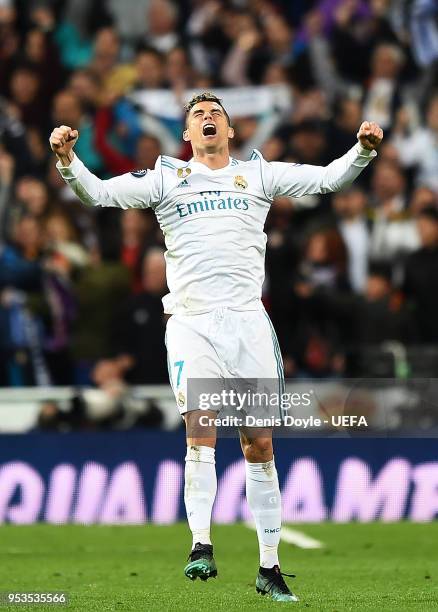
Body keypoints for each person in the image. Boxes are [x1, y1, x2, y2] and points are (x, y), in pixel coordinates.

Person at [49, 91, 383, 604]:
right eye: (198, 115)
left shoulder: (261, 174)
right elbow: (97, 195)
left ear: (230, 130)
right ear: (186, 134)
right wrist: (68, 161)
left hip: (249, 323)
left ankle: (269, 567)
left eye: (216, 115)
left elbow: (326, 180)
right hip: (192, 321)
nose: (208, 119)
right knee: (200, 429)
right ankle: (200, 544)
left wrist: (361, 150)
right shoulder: (165, 177)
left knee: (260, 444)